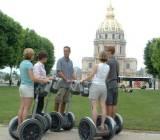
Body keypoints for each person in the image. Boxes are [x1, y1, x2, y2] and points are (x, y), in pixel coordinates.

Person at [18, 48, 49, 126]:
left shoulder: (22, 63)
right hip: (28, 87)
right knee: (26, 108)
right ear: (30, 55)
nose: (34, 56)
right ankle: (24, 127)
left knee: (22, 107)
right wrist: (43, 80)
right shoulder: (29, 64)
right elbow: (33, 78)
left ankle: (19, 125)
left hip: (22, 86)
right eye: (33, 54)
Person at [82, 51, 110, 130]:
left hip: (95, 86)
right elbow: (106, 78)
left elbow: (91, 76)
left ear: (100, 57)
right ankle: (102, 125)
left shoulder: (96, 65)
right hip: (103, 86)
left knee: (94, 106)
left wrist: (83, 80)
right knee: (103, 106)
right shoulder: (108, 67)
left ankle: (93, 125)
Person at [54, 46, 75, 113]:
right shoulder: (60, 61)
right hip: (61, 85)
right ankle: (55, 115)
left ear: (69, 52)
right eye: (64, 51)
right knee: (58, 101)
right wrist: (66, 79)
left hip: (68, 86)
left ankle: (62, 115)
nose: (65, 52)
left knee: (64, 101)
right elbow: (59, 72)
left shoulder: (71, 62)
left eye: (67, 51)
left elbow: (72, 73)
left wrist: (77, 80)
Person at [105, 46, 119, 118]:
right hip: (115, 84)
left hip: (109, 84)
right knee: (114, 104)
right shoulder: (116, 62)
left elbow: (106, 74)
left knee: (109, 104)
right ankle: (113, 120)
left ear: (110, 52)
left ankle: (109, 121)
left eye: (107, 51)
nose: (106, 52)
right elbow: (117, 73)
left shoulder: (108, 61)